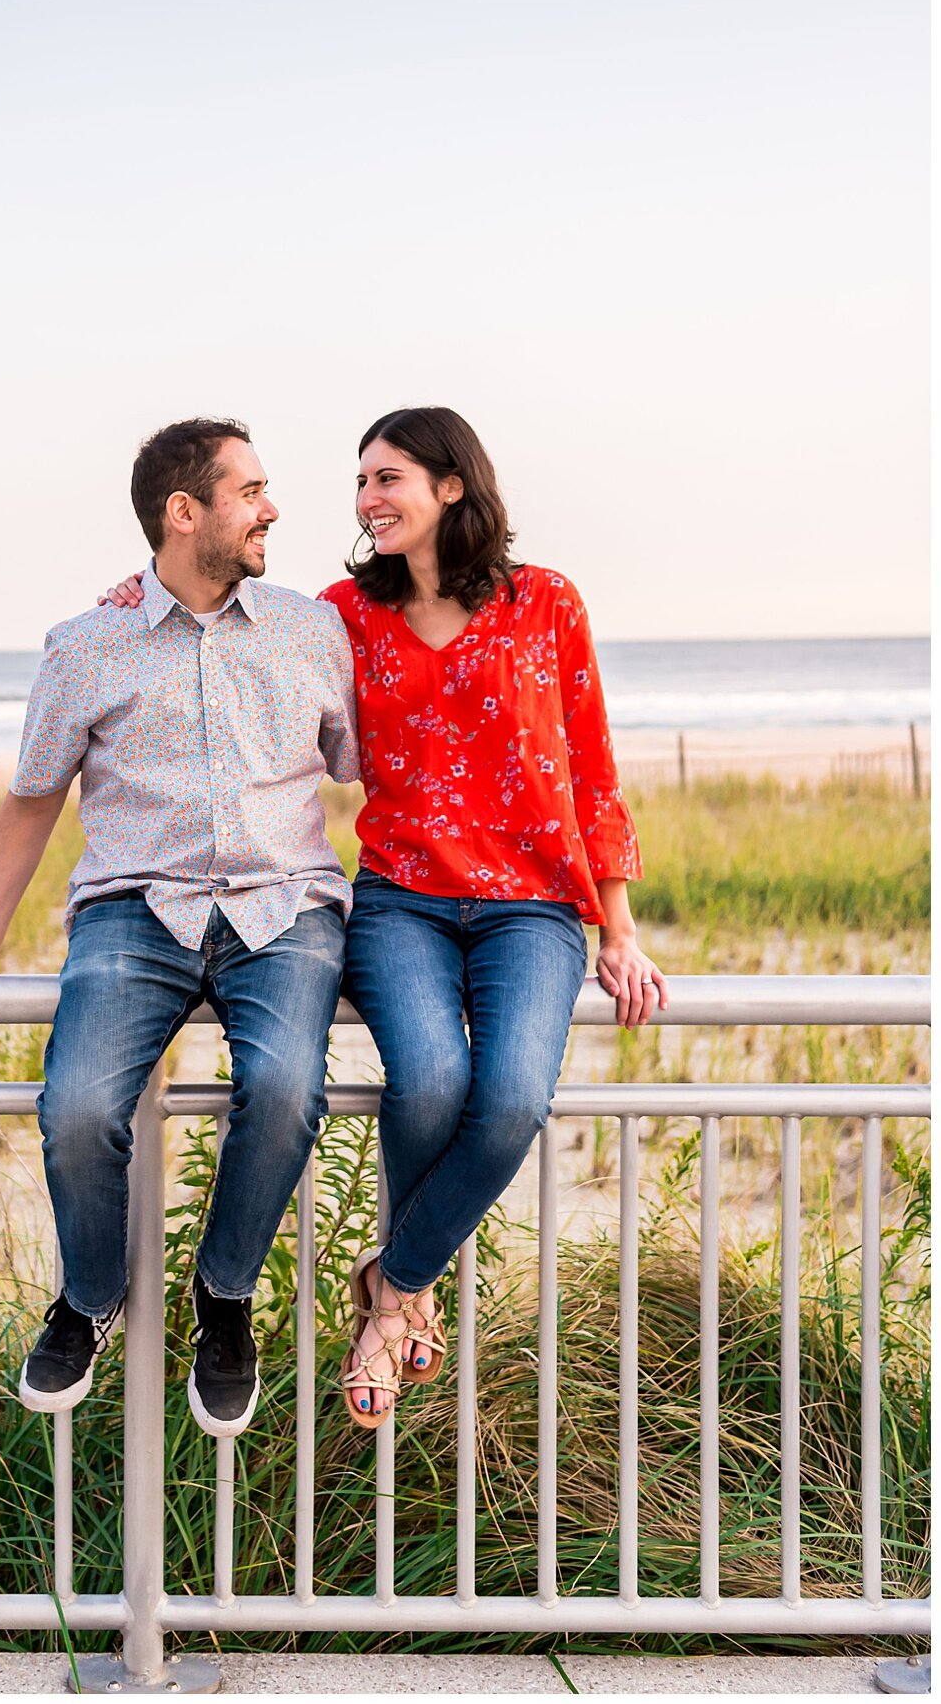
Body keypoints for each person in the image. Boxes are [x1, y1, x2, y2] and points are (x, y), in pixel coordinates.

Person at [99, 405, 666, 1430]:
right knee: (432, 1078)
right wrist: (135, 601)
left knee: (508, 1101)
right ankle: (406, 1305)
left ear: (452, 484)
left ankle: (393, 1287)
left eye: (389, 476)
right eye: (362, 481)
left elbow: (592, 766)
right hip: (401, 896)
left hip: (532, 907)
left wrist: (617, 928)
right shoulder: (340, 615)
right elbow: (218, 630)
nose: (367, 498)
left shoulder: (546, 602)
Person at [0, 417, 360, 1437]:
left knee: (288, 1088)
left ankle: (225, 1295)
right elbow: (32, 798)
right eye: (250, 489)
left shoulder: (310, 626)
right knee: (74, 1106)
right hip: (134, 909)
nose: (272, 507)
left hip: (285, 906)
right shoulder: (85, 643)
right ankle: (92, 1294)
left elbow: (368, 761)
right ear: (183, 510)